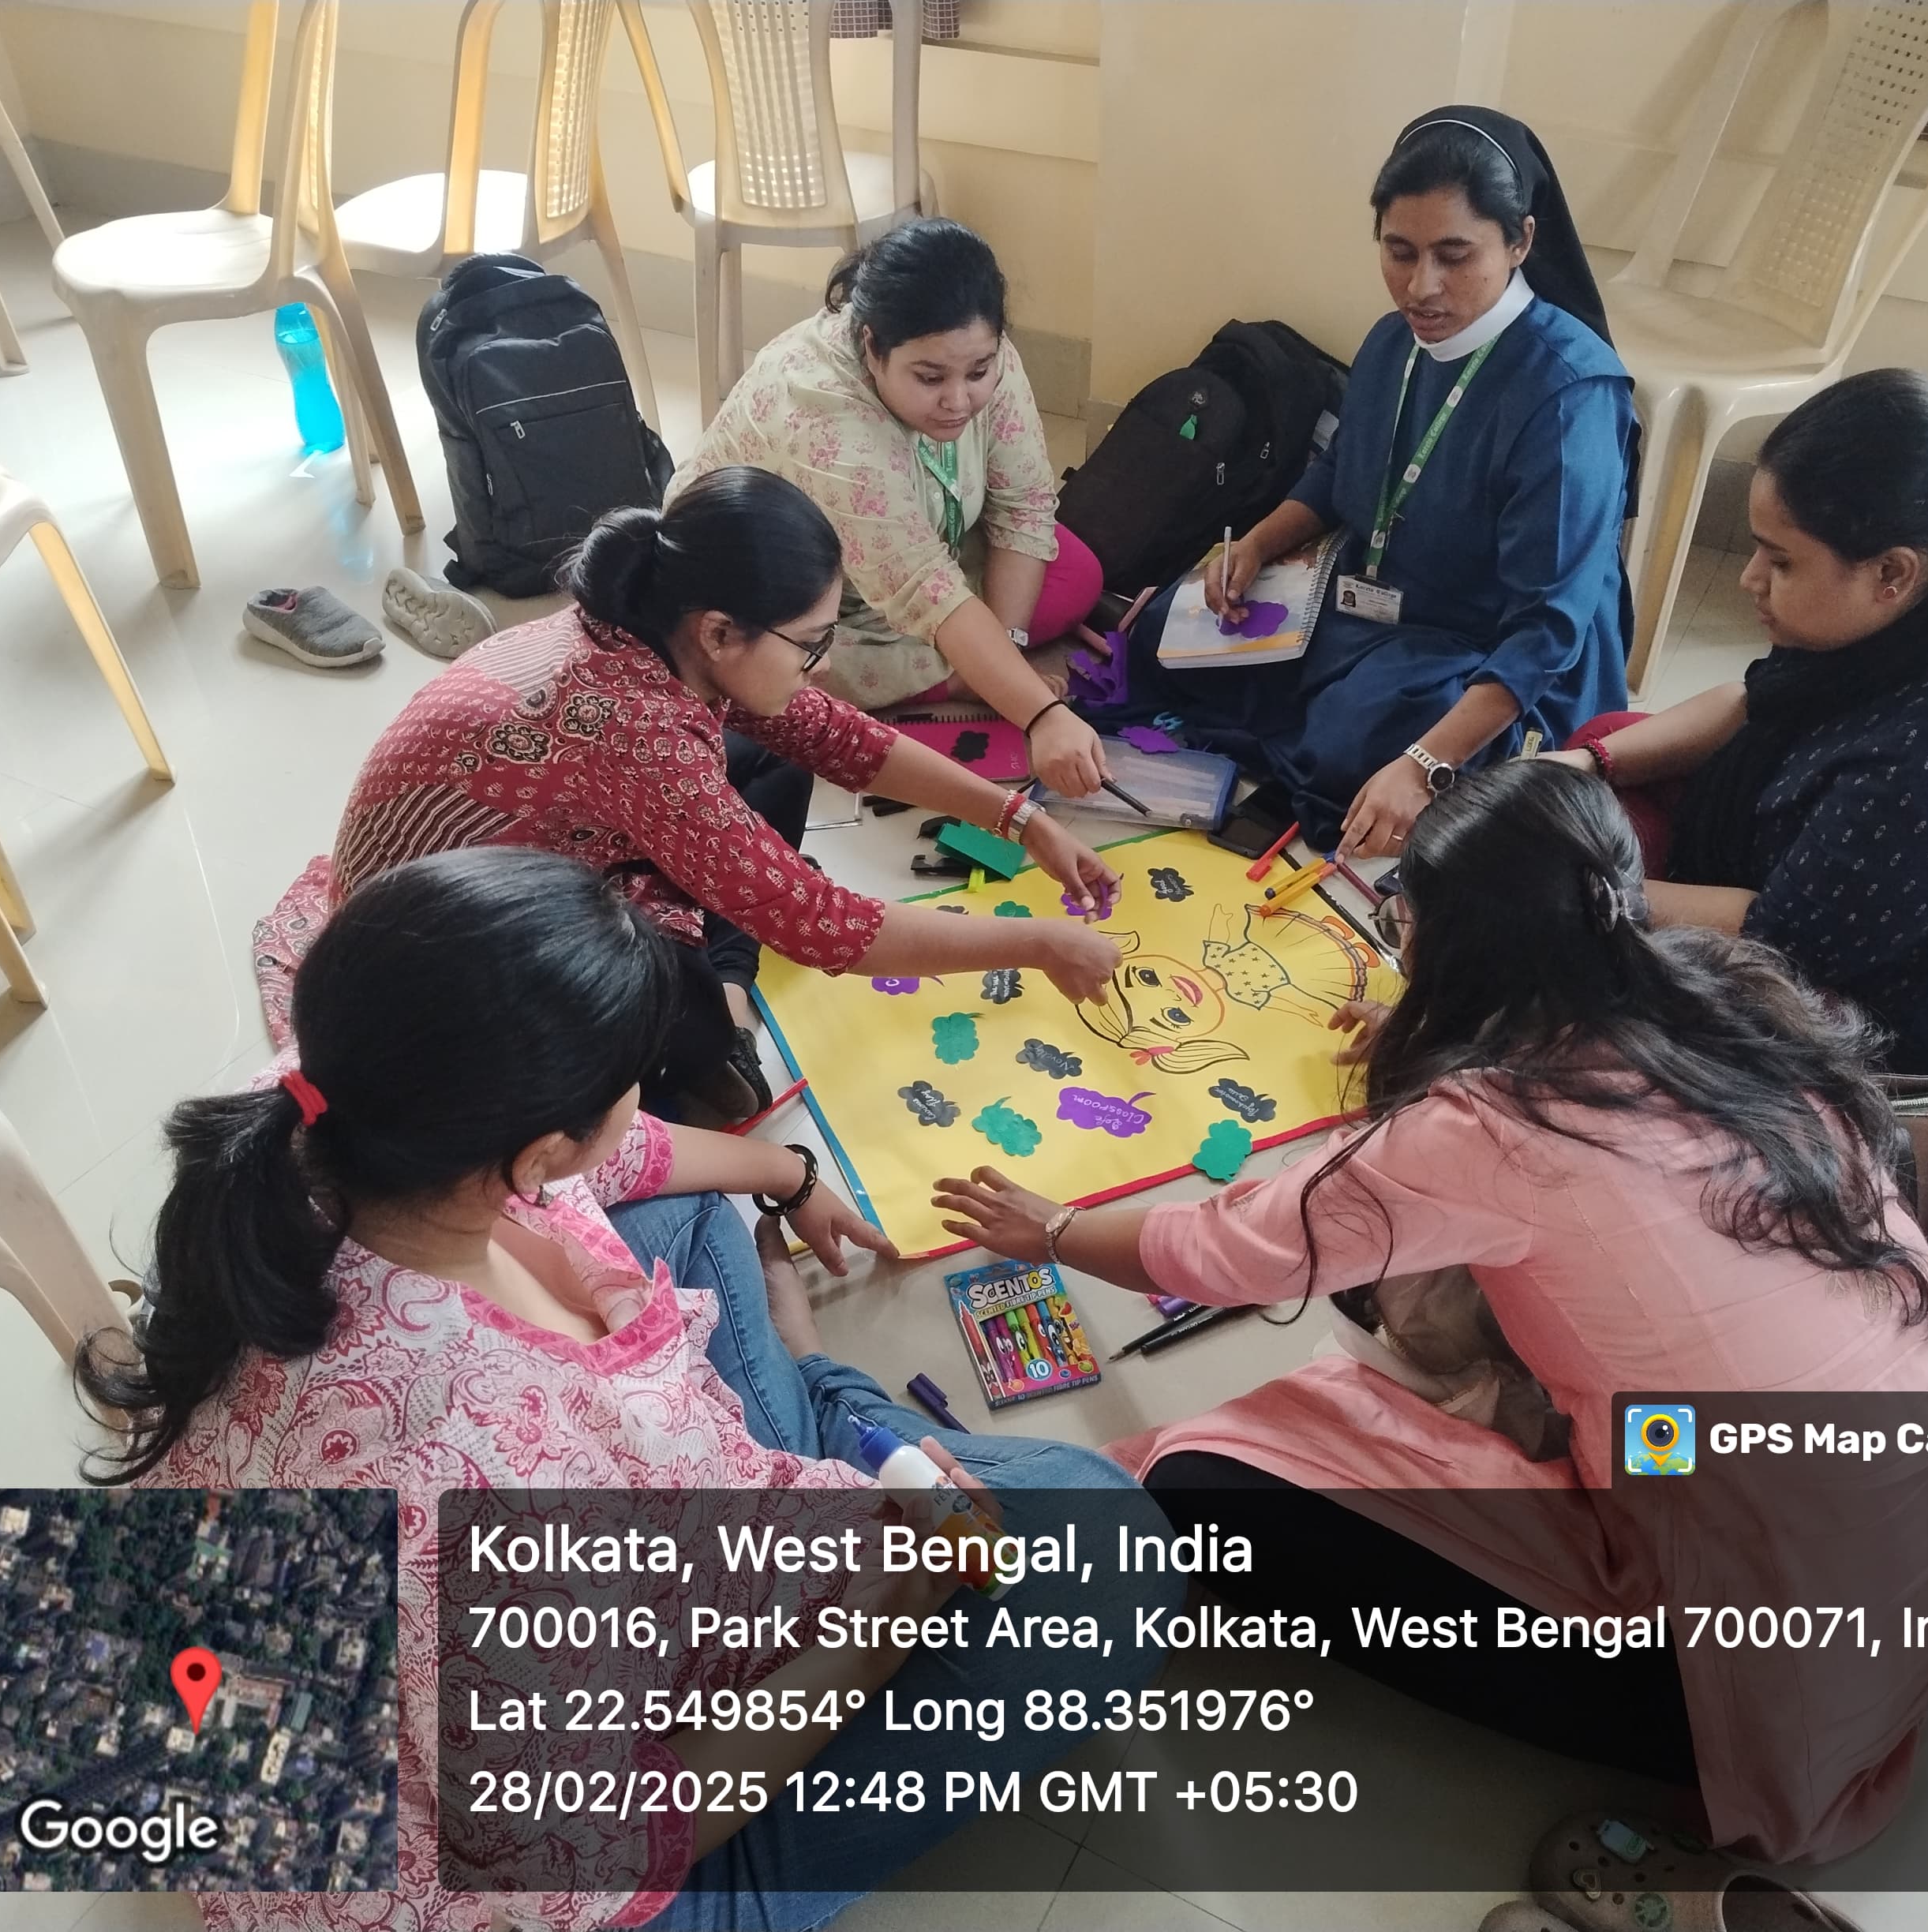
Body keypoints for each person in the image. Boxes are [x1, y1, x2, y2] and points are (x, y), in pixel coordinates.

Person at [931, 760, 1928, 1863]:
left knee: (1198, 1485)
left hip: (1749, 1665)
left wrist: (1055, 1230)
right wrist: (1448, 1026)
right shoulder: (1731, 1004)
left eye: (1405, 927)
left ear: (1459, 949)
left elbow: (1228, 1252)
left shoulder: (1489, 1126)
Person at [81, 848, 1177, 1931]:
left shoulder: (328, 1111)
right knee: (1102, 1537)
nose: (635, 1106)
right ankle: (826, 1406)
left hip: (408, 1655)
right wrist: (891, 1607)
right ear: (535, 1152)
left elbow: (624, 1159)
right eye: (624, 1085)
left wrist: (790, 1175)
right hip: (521, 1869)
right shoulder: (488, 1482)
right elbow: (582, 1852)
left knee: (692, 1213)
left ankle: (821, 1416)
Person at [253, 466, 1125, 1122]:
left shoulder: (650, 624)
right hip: (437, 977)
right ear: (718, 632)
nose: (822, 667)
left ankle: (721, 971)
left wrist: (1019, 816)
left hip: (506, 867)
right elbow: (826, 925)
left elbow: (839, 738)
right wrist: (1041, 943)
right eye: (812, 644)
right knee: (689, 1031)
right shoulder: (636, 731)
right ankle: (720, 1002)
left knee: (779, 756)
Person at [1548, 369, 1928, 1074]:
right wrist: (1581, 766)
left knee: (1558, 949)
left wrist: (1574, 889)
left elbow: (1782, 942)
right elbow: (1755, 698)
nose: (1749, 578)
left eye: (1781, 560)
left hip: (1894, 1039)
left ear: (1892, 573)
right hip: (1840, 906)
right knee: (1600, 747)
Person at [1103, 108, 1636, 856]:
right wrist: (1252, 548)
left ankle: (1385, 748)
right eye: (1399, 251)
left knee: (1363, 735)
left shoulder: (1568, 394)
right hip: (1372, 604)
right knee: (1170, 629)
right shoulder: (1395, 340)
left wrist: (1423, 767)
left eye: (1455, 255)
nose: (1421, 287)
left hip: (1484, 651)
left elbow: (1548, 629)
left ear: (1521, 241)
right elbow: (1342, 470)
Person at [675, 218, 1113, 797]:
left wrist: (1005, 652)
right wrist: (1039, 713)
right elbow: (923, 587)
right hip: (788, 597)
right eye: (930, 378)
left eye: (979, 372)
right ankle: (946, 675)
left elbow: (1023, 507)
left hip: (907, 555)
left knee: (1075, 571)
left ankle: (969, 665)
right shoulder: (824, 415)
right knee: (768, 662)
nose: (959, 400)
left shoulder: (980, 351)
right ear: (871, 348)